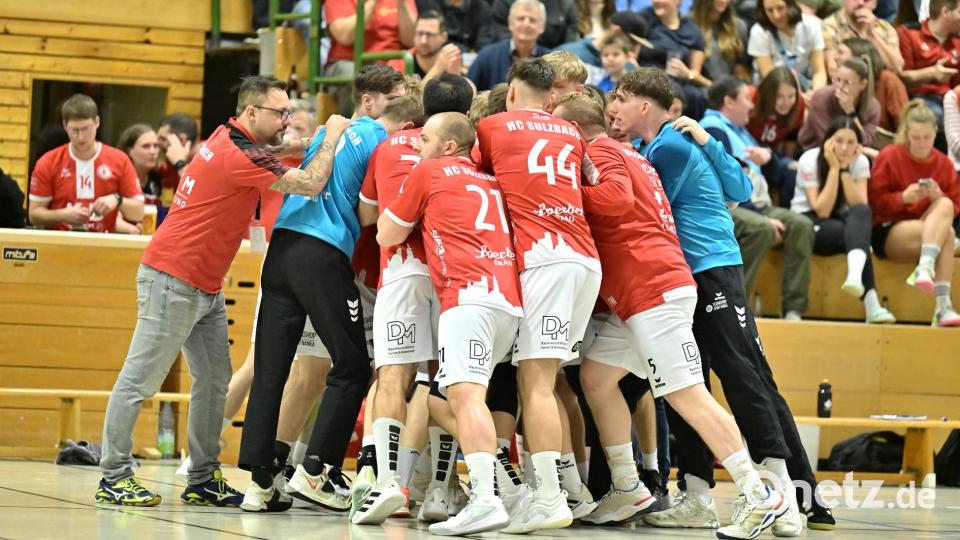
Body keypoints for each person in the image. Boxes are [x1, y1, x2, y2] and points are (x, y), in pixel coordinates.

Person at [94, 75, 343, 508]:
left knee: (214, 381)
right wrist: (335, 135)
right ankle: (114, 475)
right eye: (279, 112)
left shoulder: (228, 134)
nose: (285, 119)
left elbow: (277, 150)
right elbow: (310, 183)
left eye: (288, 112)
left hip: (203, 285)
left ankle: (203, 477)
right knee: (140, 379)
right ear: (251, 113)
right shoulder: (236, 154)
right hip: (172, 279)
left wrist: (312, 138)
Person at [611, 68, 797, 538]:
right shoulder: (651, 149)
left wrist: (711, 143)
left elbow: (736, 192)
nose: (614, 107)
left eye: (622, 98)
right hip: (682, 276)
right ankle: (697, 495)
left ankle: (783, 495)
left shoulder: (672, 145)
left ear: (645, 107)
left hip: (711, 267)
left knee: (738, 374)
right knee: (685, 383)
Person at [237, 67, 412, 512]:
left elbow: (300, 157)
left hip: (281, 250)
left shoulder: (327, 133)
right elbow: (371, 215)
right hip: (323, 254)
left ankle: (259, 484)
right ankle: (316, 471)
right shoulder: (382, 141)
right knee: (352, 366)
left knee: (271, 369)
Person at [376, 111, 522, 536]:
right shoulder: (491, 180)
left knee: (466, 399)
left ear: (448, 147)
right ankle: (499, 486)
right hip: (507, 301)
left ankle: (486, 498)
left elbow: (386, 234)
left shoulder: (430, 171)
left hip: (467, 297)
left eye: (424, 140)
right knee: (443, 398)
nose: (417, 147)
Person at [475, 58, 601, 533]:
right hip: (584, 258)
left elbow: (474, 186)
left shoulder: (491, 127)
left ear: (510, 92)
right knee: (548, 381)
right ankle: (561, 489)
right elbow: (593, 181)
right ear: (551, 98)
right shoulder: (570, 133)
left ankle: (548, 496)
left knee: (537, 383)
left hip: (544, 259)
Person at [351, 73, 475, 525]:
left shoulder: (388, 147)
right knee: (445, 381)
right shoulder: (471, 153)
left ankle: (389, 485)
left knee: (392, 376)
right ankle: (442, 488)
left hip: (401, 268)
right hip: (452, 271)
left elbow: (367, 215)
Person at [700, 76, 814, 320]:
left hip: (756, 203)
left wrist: (774, 160)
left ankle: (793, 309)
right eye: (746, 99)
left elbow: (765, 172)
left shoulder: (739, 130)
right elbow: (731, 184)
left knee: (802, 226)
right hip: (728, 207)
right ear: (729, 102)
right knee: (760, 229)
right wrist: (762, 216)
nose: (752, 106)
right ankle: (736, 308)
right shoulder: (713, 128)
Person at [792, 117, 898, 323]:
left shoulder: (860, 162)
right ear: (827, 141)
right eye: (839, 140)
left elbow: (859, 205)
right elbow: (821, 209)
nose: (844, 148)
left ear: (858, 145)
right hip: (808, 222)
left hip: (841, 222)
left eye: (851, 143)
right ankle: (872, 305)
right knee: (859, 238)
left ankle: (855, 277)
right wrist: (834, 168)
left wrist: (846, 169)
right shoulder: (809, 159)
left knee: (862, 214)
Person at [870, 99, 960, 327]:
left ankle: (927, 271)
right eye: (916, 138)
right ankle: (941, 304)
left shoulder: (944, 164)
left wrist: (936, 197)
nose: (921, 144)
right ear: (906, 135)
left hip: (928, 231)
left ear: (935, 134)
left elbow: (955, 205)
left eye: (927, 138)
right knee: (947, 234)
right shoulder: (890, 156)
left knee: (946, 208)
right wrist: (903, 198)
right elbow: (875, 203)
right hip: (890, 229)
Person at [29, 94, 144, 233]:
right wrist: (63, 215)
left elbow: (138, 212)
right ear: (65, 126)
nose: (81, 137)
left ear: (97, 122)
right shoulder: (48, 162)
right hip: (61, 242)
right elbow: (34, 215)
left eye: (86, 129)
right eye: (75, 130)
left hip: (104, 243)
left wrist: (117, 199)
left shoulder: (120, 160)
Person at [324, 0, 418, 115]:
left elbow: (411, 39)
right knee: (352, 76)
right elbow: (345, 36)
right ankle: (355, 129)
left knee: (412, 79)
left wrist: (402, 4)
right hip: (349, 61)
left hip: (392, 62)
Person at [897, 0, 960, 152]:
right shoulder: (909, 33)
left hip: (951, 99)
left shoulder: (957, 43)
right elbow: (902, 77)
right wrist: (931, 73)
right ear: (946, 12)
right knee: (937, 115)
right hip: (920, 97)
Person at [637, 0, 711, 119]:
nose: (657, 1)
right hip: (648, 80)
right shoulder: (644, 19)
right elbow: (630, 53)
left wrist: (687, 73)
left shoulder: (692, 30)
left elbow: (695, 72)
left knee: (696, 96)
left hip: (679, 81)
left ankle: (693, 134)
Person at [799, 57, 881, 152]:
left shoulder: (872, 106)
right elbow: (826, 140)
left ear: (862, 84)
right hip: (815, 150)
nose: (839, 87)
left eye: (847, 82)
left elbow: (867, 142)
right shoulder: (821, 98)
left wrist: (851, 112)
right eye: (837, 80)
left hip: (852, 153)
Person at [467, 0, 548, 91]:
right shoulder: (486, 56)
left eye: (532, 20)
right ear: (510, 22)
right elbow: (469, 91)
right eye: (521, 18)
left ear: (543, 26)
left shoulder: (549, 60)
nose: (526, 24)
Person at [748, 0, 827, 93]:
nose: (776, 15)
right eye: (769, 10)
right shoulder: (759, 32)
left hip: (804, 83)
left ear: (791, 5)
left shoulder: (812, 26)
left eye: (780, 8)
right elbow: (770, 77)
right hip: (773, 90)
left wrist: (815, 95)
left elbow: (819, 71)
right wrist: (798, 98)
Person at [835, 37, 908, 133]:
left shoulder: (888, 80)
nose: (835, 57)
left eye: (840, 53)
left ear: (857, 57)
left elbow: (904, 124)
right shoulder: (837, 82)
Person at [821, 0, 905, 77]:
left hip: (878, 84)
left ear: (874, 4)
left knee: (891, 80)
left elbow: (897, 68)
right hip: (844, 86)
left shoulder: (885, 28)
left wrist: (872, 35)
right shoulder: (828, 26)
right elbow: (832, 70)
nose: (861, 3)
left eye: (866, 0)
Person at [747, 67, 805, 160]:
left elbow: (791, 137)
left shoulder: (798, 104)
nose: (786, 103)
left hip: (771, 155)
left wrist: (787, 162)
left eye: (791, 96)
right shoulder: (750, 98)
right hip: (745, 150)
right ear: (767, 94)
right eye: (779, 96)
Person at [558, 11, 650, 68]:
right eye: (632, 42)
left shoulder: (624, 64)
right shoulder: (569, 54)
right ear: (616, 31)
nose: (634, 50)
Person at [116, 124, 165, 231]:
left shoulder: (158, 176)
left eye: (156, 146)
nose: (153, 152)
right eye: (146, 146)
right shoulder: (118, 177)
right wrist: (129, 228)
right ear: (129, 151)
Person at [691, 0, 752, 82]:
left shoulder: (738, 27)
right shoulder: (688, 25)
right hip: (698, 89)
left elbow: (740, 71)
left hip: (730, 90)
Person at [413, 0, 498, 52]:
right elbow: (431, 36)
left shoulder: (481, 7)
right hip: (438, 56)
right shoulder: (428, 3)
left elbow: (484, 43)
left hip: (473, 61)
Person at [490, 0, 579, 49]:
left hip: (552, 66)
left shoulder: (566, 4)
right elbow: (502, 39)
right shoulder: (504, 2)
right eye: (521, 18)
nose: (526, 24)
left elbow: (569, 48)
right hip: (509, 59)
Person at [412, 12, 464, 84]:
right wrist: (438, 67)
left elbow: (471, 90)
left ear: (444, 37)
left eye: (429, 34)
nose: (423, 41)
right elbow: (412, 95)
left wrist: (456, 77)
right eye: (419, 33)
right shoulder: (403, 60)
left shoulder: (450, 60)